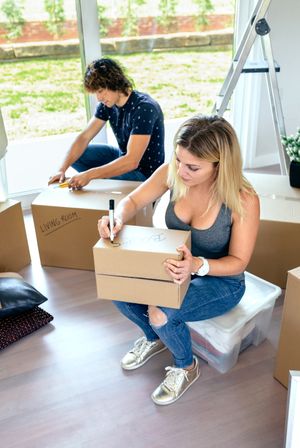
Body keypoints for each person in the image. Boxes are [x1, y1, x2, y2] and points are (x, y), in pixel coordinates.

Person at [98, 114, 260, 406]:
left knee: (160, 311)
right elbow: (132, 201)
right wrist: (116, 218)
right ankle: (154, 337)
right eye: (178, 160)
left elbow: (239, 261)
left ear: (219, 164)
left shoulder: (243, 198)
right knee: (119, 288)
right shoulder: (173, 172)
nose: (181, 171)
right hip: (176, 268)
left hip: (221, 281)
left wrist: (198, 265)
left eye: (193, 167)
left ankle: (186, 365)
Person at [48, 58, 165, 189]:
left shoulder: (144, 108)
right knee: (80, 155)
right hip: (123, 157)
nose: (98, 98)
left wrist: (90, 175)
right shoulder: (107, 104)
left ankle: (99, 188)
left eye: (100, 91)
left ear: (114, 82)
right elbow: (84, 137)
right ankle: (99, 184)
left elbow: (132, 161)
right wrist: (62, 169)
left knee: (99, 180)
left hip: (144, 173)